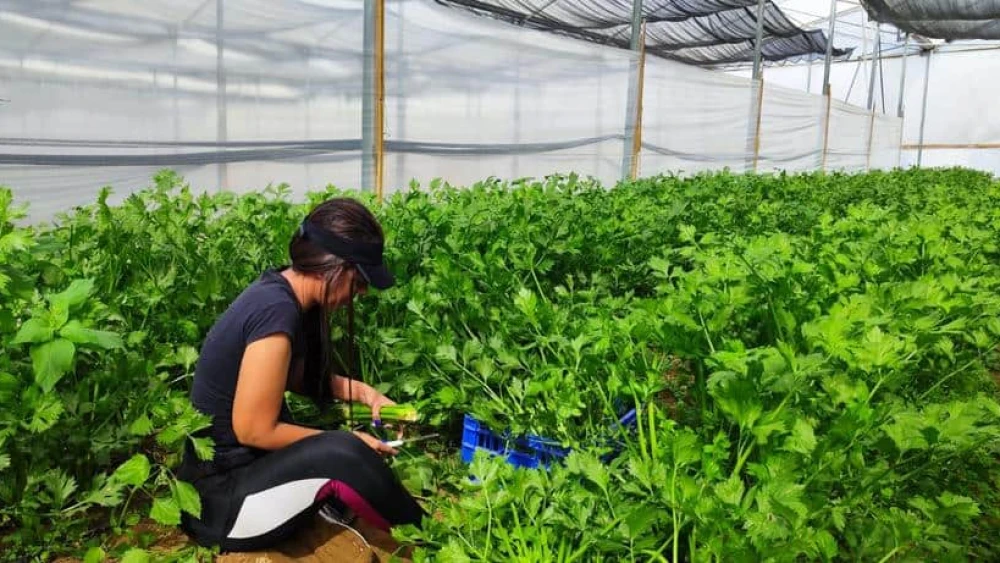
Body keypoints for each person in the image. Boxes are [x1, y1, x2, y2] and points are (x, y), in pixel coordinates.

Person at [177, 197, 424, 552]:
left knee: (340, 447)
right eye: (359, 280)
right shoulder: (276, 310)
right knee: (343, 449)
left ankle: (419, 534)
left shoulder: (283, 293)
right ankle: (430, 540)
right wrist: (346, 444)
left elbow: (293, 378)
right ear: (334, 266)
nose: (362, 291)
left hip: (240, 479)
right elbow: (253, 429)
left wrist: (365, 394)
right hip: (221, 503)